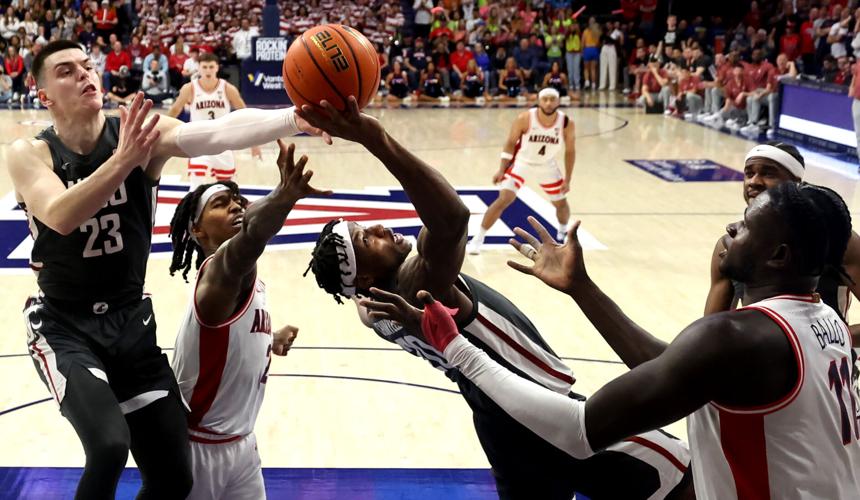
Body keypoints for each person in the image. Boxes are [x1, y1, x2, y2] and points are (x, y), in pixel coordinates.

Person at [300, 97, 692, 500]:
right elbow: (452, 218)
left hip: (497, 422)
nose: (381, 227)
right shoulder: (416, 285)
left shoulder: (375, 311)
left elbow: (363, 307)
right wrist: (377, 140)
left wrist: (358, 292)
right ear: (364, 275)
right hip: (543, 411)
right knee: (682, 479)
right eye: (368, 239)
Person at [370, 181, 860, 500]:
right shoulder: (822, 320)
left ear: (777, 256)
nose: (731, 226)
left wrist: (457, 349)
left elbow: (579, 430)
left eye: (746, 225)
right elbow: (675, 367)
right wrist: (582, 289)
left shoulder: (738, 336)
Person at [8, 39, 325, 499]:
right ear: (45, 96)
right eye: (66, 71)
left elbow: (212, 134)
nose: (83, 74)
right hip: (64, 326)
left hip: (129, 322)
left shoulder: (138, 133)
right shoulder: (29, 153)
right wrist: (124, 160)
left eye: (86, 65)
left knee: (175, 477)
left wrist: (293, 119)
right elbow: (59, 214)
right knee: (109, 446)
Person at [170, 142, 319, 499]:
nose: (235, 205)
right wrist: (283, 196)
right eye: (220, 204)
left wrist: (269, 338)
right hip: (196, 448)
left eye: (237, 199)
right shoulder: (219, 274)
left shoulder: (246, 281)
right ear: (197, 232)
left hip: (242, 444)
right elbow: (252, 238)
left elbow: (224, 344)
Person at [468, 88, 573, 254]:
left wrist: (568, 179)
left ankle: (563, 231)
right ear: (538, 100)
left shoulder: (566, 122)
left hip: (547, 165)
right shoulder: (525, 118)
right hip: (522, 162)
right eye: (545, 99)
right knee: (504, 199)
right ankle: (478, 238)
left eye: (552, 99)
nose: (548, 102)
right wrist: (502, 169)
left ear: (558, 101)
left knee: (561, 203)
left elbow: (570, 151)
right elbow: (510, 143)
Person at [167, 52, 262, 188]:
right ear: (198, 68)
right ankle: (194, 209)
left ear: (217, 68)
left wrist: (255, 143)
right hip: (198, 142)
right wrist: (161, 130)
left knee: (227, 188)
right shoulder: (189, 88)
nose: (208, 71)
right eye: (204, 67)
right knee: (195, 186)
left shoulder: (228, 88)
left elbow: (245, 114)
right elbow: (174, 111)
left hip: (223, 143)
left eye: (211, 67)